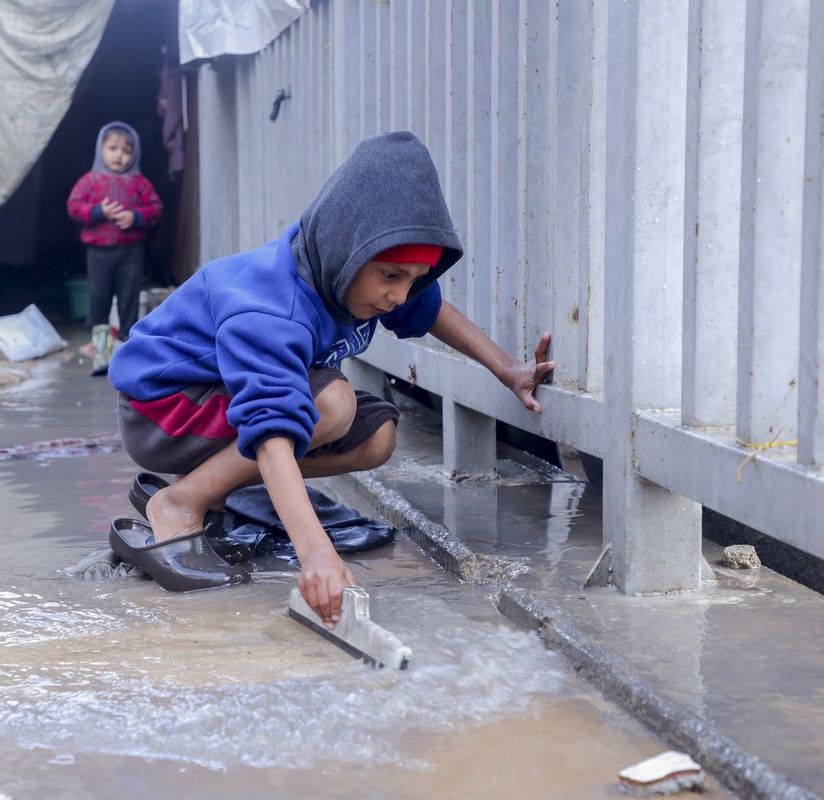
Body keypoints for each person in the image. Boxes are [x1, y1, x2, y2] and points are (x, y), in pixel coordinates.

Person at [108, 131, 554, 625]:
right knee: (332, 405)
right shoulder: (269, 307)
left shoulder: (364, 275)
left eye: (412, 280)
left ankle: (207, 484)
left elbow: (431, 312)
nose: (399, 297)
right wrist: (315, 552)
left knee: (376, 438)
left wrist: (507, 369)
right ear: (346, 247)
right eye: (390, 277)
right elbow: (273, 426)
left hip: (223, 402)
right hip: (165, 410)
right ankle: (181, 501)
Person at [66, 121, 163, 359]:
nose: (119, 155)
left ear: (135, 154)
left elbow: (156, 208)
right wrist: (98, 212)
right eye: (113, 148)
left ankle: (128, 353)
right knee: (99, 299)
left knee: (128, 300)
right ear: (101, 149)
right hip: (98, 253)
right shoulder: (90, 180)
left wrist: (136, 217)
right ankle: (101, 353)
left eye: (126, 150)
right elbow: (73, 206)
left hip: (131, 252)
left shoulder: (139, 183)